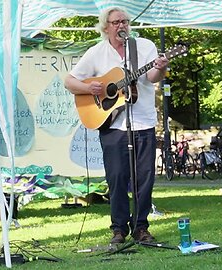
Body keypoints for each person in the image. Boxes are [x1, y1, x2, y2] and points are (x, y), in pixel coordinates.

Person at [64, 7, 169, 244]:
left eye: (125, 21)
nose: (121, 25)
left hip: (142, 121)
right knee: (117, 177)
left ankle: (141, 227)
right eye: (115, 22)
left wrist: (161, 67)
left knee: (145, 177)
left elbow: (151, 77)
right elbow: (69, 81)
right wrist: (88, 88)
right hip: (112, 124)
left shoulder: (143, 47)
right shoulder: (96, 53)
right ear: (106, 27)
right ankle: (119, 229)